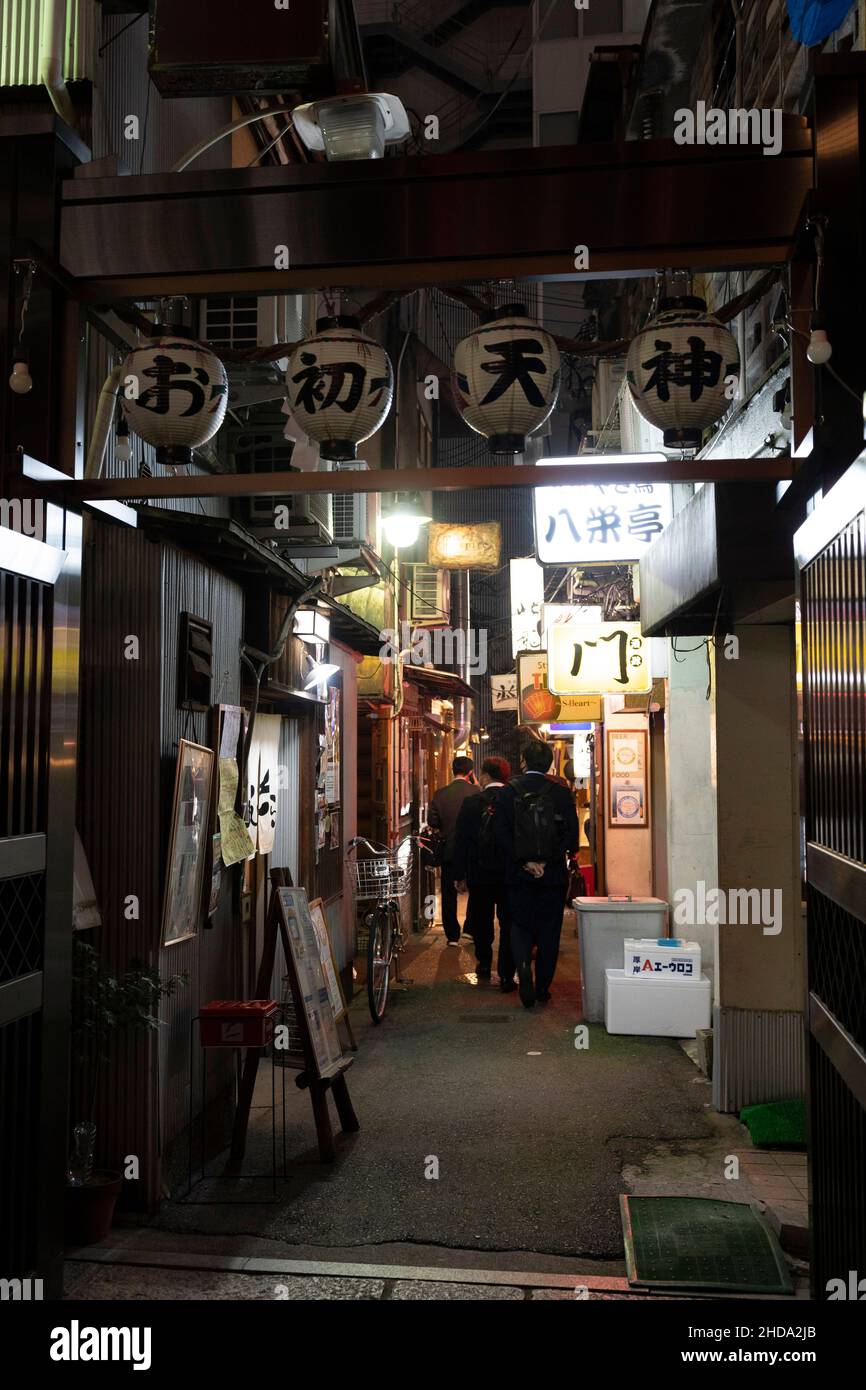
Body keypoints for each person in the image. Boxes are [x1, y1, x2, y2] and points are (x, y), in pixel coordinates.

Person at [495, 740, 580, 1007]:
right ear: (550, 764)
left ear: (524, 761)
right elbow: (572, 836)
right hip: (552, 876)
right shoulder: (561, 792)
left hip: (518, 876)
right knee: (549, 930)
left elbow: (501, 835)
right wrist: (547, 861)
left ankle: (522, 968)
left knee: (519, 925)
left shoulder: (508, 792)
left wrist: (524, 863)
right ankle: (542, 986)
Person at [452, 756, 516, 989]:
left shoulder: (472, 803)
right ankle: (508, 972)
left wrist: (459, 875)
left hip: (480, 872)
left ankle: (484, 963)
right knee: (508, 921)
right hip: (509, 873)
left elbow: (461, 841)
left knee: (482, 918)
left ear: (486, 776)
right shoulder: (515, 800)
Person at [427, 755, 482, 946]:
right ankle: (470, 928)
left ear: (453, 771)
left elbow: (432, 822)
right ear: (470, 772)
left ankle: (452, 936)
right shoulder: (477, 791)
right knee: (475, 890)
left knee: (448, 892)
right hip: (472, 851)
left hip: (449, 849)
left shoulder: (441, 794)